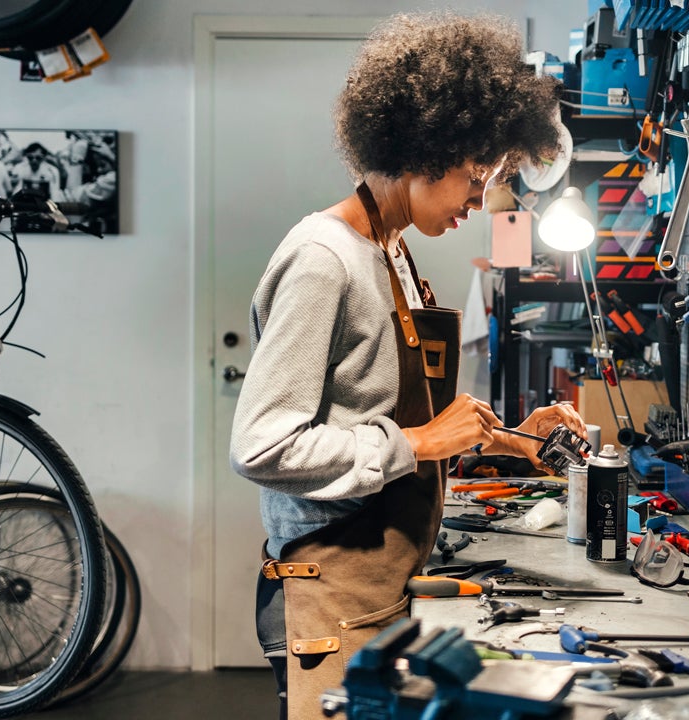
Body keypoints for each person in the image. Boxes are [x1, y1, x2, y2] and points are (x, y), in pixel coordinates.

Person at [228, 12, 585, 720]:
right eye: (474, 178)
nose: (480, 204)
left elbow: (385, 413)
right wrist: (419, 445)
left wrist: (513, 436)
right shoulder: (322, 260)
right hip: (329, 584)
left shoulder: (389, 248)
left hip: (383, 577)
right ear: (427, 150)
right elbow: (262, 444)